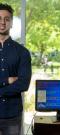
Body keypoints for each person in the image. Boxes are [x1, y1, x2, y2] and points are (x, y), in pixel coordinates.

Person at [0, 3, 31, 135]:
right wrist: (7, 80)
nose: (2, 22)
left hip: (12, 115)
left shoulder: (22, 52)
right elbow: (14, 82)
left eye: (7, 19)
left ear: (11, 23)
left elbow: (23, 84)